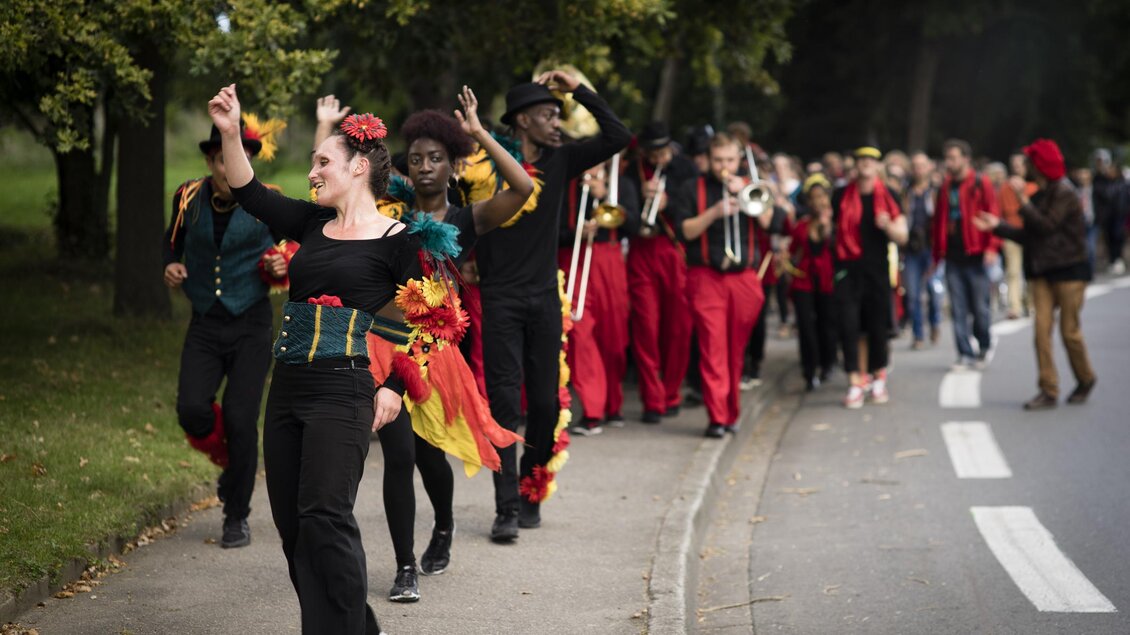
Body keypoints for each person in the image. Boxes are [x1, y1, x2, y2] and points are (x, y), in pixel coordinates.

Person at [209, 83, 415, 634]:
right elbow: (249, 190)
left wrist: (394, 385)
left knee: (325, 517)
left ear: (359, 168)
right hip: (288, 390)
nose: (313, 171)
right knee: (294, 527)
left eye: (324, 161)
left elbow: (438, 323)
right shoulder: (307, 223)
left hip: (343, 391)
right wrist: (231, 132)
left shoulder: (400, 241)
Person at [315, 89, 535, 600]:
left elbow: (522, 187)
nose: (427, 167)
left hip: (436, 356)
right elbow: (331, 183)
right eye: (417, 160)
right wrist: (325, 126)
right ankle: (405, 567)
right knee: (397, 453)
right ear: (406, 169)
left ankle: (443, 525)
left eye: (437, 158)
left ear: (453, 166)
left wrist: (480, 133)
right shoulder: (390, 217)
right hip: (389, 345)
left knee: (430, 457)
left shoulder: (466, 220)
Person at [474, 71, 629, 540]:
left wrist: (578, 87)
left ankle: (529, 487)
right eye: (547, 115)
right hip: (499, 298)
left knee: (543, 403)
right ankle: (504, 510)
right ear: (522, 121)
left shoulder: (563, 159)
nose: (557, 123)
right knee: (504, 404)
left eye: (559, 115)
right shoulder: (487, 165)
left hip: (544, 298)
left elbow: (619, 135)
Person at [163, 119, 289, 549]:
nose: (227, 167)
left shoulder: (265, 201)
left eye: (237, 159)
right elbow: (171, 243)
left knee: (240, 418)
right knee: (191, 409)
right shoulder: (187, 197)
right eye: (220, 159)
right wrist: (171, 264)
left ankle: (236, 515)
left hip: (251, 323)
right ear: (211, 161)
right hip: (205, 321)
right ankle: (231, 461)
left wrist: (281, 263)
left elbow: (290, 246)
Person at [973, 139, 1097, 410]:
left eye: (1028, 162)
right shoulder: (1038, 195)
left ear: (1039, 166)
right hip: (1041, 273)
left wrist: (1022, 201)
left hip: (1069, 272)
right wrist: (998, 226)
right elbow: (1029, 236)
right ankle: (1048, 389)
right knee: (1041, 332)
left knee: (1069, 332)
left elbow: (1047, 226)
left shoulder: (1064, 192)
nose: (1023, 166)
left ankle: (1086, 378)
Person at [670, 132, 775, 437]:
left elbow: (770, 222)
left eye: (729, 160)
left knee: (735, 350)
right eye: (718, 160)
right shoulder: (692, 188)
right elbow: (685, 231)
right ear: (708, 160)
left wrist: (746, 194)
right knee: (713, 346)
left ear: (739, 160)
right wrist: (715, 212)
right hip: (707, 277)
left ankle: (731, 413)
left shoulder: (750, 186)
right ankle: (717, 417)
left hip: (744, 279)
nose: (723, 166)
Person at [624, 121, 698, 423]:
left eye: (660, 151)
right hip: (642, 251)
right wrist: (640, 195)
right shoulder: (633, 171)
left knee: (678, 328)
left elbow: (693, 212)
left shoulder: (686, 169)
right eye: (650, 152)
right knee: (645, 327)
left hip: (674, 252)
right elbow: (625, 212)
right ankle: (652, 400)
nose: (655, 158)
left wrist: (669, 202)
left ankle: (671, 393)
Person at [559, 157, 639, 434]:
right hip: (573, 261)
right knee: (580, 333)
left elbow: (636, 227)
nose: (590, 172)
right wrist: (574, 233)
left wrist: (604, 196)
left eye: (596, 167)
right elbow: (553, 233)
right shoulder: (566, 187)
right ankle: (592, 411)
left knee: (614, 337)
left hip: (609, 260)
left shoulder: (622, 185)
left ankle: (613, 404)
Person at [831, 146, 908, 408]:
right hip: (847, 268)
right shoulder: (841, 194)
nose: (866, 164)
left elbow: (903, 235)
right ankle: (855, 380)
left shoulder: (889, 195)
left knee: (877, 325)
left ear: (878, 166)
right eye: (861, 159)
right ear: (855, 164)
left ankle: (878, 375)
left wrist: (888, 225)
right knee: (849, 325)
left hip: (876, 268)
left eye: (871, 160)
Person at [932, 139, 1000, 369]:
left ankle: (983, 346)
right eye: (947, 158)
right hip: (952, 256)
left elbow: (994, 216)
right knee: (958, 308)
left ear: (965, 159)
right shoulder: (945, 186)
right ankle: (964, 353)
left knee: (980, 308)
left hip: (977, 254)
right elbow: (939, 221)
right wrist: (937, 253)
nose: (949, 162)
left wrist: (991, 247)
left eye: (953, 158)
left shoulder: (982, 182)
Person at [789, 175, 838, 390]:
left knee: (827, 325)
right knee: (806, 327)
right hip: (804, 282)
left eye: (822, 197)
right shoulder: (802, 225)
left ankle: (827, 363)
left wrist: (828, 224)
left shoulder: (836, 224)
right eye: (814, 197)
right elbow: (793, 251)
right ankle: (809, 371)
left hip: (828, 281)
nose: (818, 201)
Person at [902, 151, 941, 348]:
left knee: (934, 290)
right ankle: (918, 335)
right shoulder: (906, 192)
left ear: (928, 167)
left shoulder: (935, 191)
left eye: (921, 165)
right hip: (911, 249)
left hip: (930, 247)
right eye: (915, 165)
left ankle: (935, 323)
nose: (918, 169)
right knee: (913, 294)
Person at [999, 152, 1037, 319]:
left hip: (1030, 233)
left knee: (1031, 270)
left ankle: (1030, 303)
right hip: (1011, 232)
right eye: (1014, 164)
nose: (1016, 167)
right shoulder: (1005, 187)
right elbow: (1000, 210)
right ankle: (1015, 306)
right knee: (1013, 271)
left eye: (1019, 164)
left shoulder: (1034, 186)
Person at [1091, 148, 1127, 274]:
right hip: (1107, 215)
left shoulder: (1121, 182)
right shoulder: (1100, 180)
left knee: (1118, 236)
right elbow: (1102, 195)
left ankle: (1117, 259)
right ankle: (1113, 260)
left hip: (1119, 214)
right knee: (1109, 237)